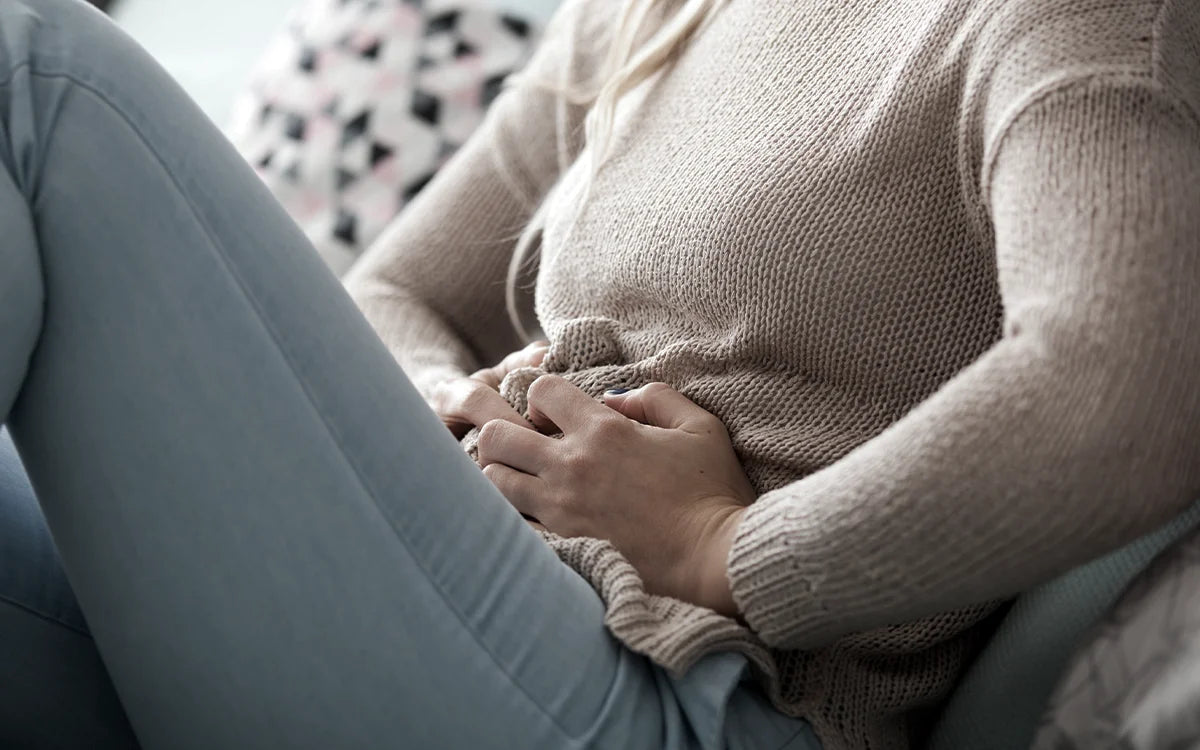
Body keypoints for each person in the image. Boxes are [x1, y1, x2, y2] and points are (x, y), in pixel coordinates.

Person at [2, 0, 1198, 748]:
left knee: (41, 81)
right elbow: (395, 292)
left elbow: (1131, 385)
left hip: (684, 690)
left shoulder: (1076, 20)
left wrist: (724, 551)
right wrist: (442, 407)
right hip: (482, 593)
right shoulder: (658, 12)